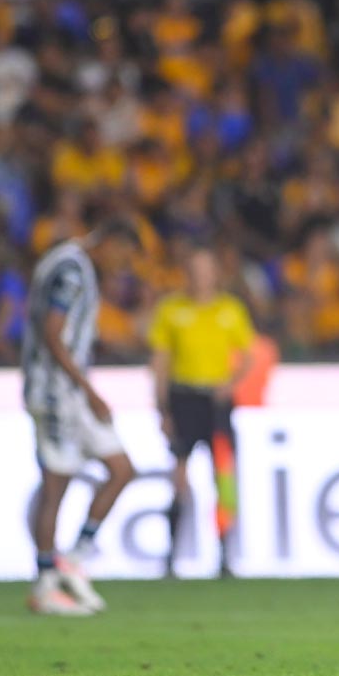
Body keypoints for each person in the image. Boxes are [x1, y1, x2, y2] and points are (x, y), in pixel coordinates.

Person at [21, 220, 139, 616]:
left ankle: (74, 557)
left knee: (121, 468)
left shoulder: (67, 263)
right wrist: (89, 390)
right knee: (56, 487)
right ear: (109, 241)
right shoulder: (72, 270)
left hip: (71, 390)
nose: (120, 267)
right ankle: (45, 584)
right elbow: (53, 334)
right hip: (56, 393)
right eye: (122, 257)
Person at [148, 246, 255, 578]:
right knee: (179, 478)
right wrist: (162, 408)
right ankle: (169, 557)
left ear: (215, 274)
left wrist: (232, 382)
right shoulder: (171, 309)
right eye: (194, 270)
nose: (200, 277)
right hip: (184, 398)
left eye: (206, 270)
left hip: (217, 401)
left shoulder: (230, 309)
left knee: (222, 477)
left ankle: (223, 556)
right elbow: (160, 362)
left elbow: (249, 355)